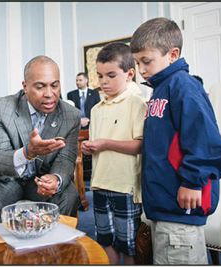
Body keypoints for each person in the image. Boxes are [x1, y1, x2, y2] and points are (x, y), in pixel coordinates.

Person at [130, 17, 221, 264]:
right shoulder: (160, 89)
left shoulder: (183, 86)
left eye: (146, 61)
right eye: (137, 62)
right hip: (163, 207)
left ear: (172, 54)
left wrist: (193, 182)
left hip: (180, 211)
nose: (141, 69)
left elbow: (207, 143)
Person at [0, 56, 81, 224]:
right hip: (2, 178)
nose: (49, 94)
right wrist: (27, 153)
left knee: (69, 196)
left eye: (55, 85)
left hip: (40, 179)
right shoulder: (1, 108)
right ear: (25, 86)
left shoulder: (71, 115)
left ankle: (52, 250)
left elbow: (66, 158)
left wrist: (55, 178)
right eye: (40, 87)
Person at [81, 42, 147, 264]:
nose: (103, 82)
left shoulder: (136, 104)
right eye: (99, 76)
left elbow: (140, 146)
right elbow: (97, 145)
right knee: (105, 240)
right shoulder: (95, 110)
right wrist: (89, 148)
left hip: (125, 186)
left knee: (128, 245)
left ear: (129, 74)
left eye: (110, 75)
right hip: (100, 184)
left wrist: (105, 143)